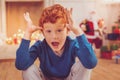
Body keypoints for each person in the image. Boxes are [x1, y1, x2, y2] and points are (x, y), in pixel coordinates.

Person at [15, 4, 98, 80]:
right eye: (48, 31)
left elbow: (91, 63)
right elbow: (21, 65)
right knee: (27, 69)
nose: (54, 36)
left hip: (67, 78)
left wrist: (77, 31)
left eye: (59, 30)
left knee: (85, 64)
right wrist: (28, 33)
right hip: (45, 78)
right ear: (43, 32)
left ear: (68, 30)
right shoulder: (40, 46)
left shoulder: (73, 44)